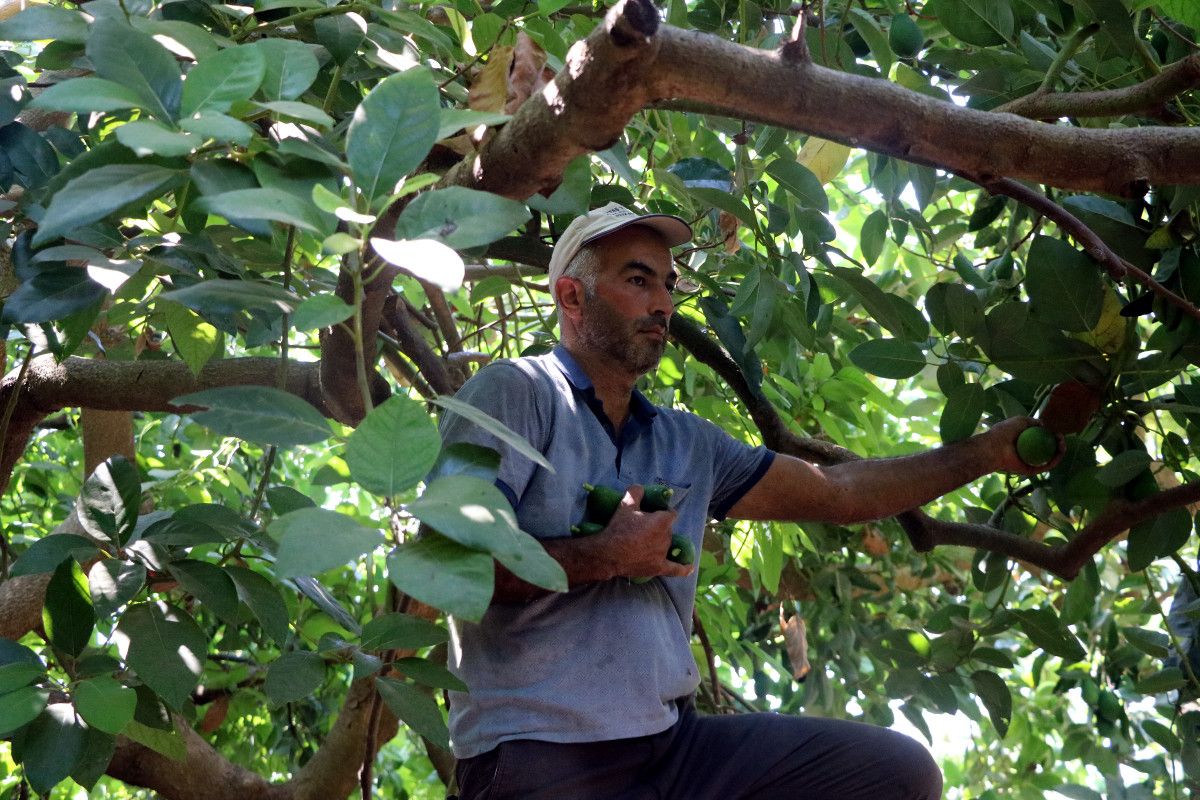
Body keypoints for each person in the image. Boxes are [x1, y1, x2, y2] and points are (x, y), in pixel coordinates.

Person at [437, 202, 1051, 800]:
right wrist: (604, 554)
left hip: (675, 751)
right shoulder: (516, 393)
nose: (662, 304)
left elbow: (837, 491)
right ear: (572, 297)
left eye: (668, 284)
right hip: (541, 754)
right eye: (637, 279)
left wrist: (989, 454)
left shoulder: (684, 442)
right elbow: (454, 565)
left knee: (897, 774)